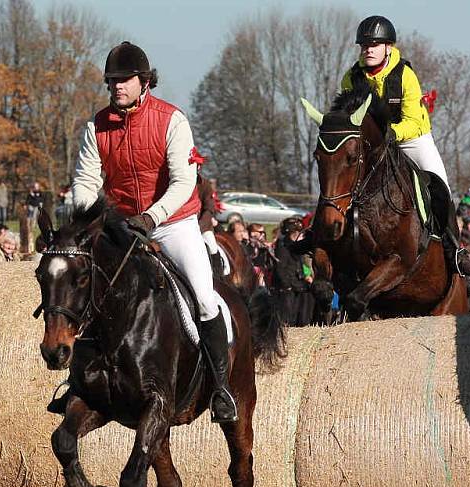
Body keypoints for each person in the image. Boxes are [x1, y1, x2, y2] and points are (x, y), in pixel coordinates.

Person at [71, 41, 237, 423]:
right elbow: (84, 180)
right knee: (88, 290)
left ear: (144, 81)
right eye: (111, 81)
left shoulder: (172, 120)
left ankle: (221, 389)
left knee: (204, 297)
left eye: (124, 80)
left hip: (173, 223)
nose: (116, 87)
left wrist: (152, 217)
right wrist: (90, 219)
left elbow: (184, 182)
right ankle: (78, 381)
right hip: (122, 227)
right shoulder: (96, 127)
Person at [340, 15, 470, 277]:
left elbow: (414, 122)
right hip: (373, 145)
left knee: (440, 186)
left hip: (411, 139)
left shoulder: (404, 75)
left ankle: (454, 249)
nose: (367, 49)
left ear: (388, 48)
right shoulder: (351, 78)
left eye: (374, 44)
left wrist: (390, 133)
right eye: (364, 45)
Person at [273, 219, 314, 326]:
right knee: (289, 319)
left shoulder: (296, 247)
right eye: (298, 234)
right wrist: (288, 285)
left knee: (303, 318)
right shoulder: (283, 246)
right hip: (289, 288)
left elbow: (301, 265)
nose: (301, 237)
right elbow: (281, 268)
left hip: (299, 285)